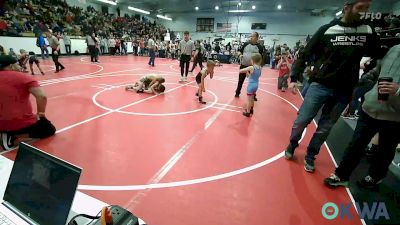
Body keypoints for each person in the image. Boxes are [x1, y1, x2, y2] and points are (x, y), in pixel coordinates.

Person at [283, 0, 381, 173]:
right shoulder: (327, 30)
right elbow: (305, 53)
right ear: (347, 7)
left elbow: (377, 55)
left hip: (344, 89)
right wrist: (294, 76)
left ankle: (311, 155)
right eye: (360, 8)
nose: (363, 12)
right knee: (302, 120)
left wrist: (367, 75)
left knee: (325, 128)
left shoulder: (368, 31)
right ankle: (292, 144)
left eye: (367, 8)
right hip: (320, 84)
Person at [324, 44, 400, 190]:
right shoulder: (394, 48)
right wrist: (363, 80)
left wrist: (398, 90)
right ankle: (341, 175)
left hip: (395, 115)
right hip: (370, 106)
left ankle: (375, 177)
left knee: (385, 150)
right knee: (356, 144)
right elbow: (378, 70)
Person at [0, 55, 56, 150]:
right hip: (19, 122)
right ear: (11, 66)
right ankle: (14, 135)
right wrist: (41, 114)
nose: (20, 66)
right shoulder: (23, 77)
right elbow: (41, 96)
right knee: (48, 129)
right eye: (18, 64)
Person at [235, 32, 264, 99]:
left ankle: (253, 95)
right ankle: (237, 92)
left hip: (253, 67)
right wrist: (239, 54)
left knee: (253, 81)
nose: (251, 37)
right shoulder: (245, 44)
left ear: (257, 38)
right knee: (240, 80)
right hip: (244, 65)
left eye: (253, 36)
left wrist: (259, 67)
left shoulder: (260, 47)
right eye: (250, 36)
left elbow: (260, 58)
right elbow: (240, 51)